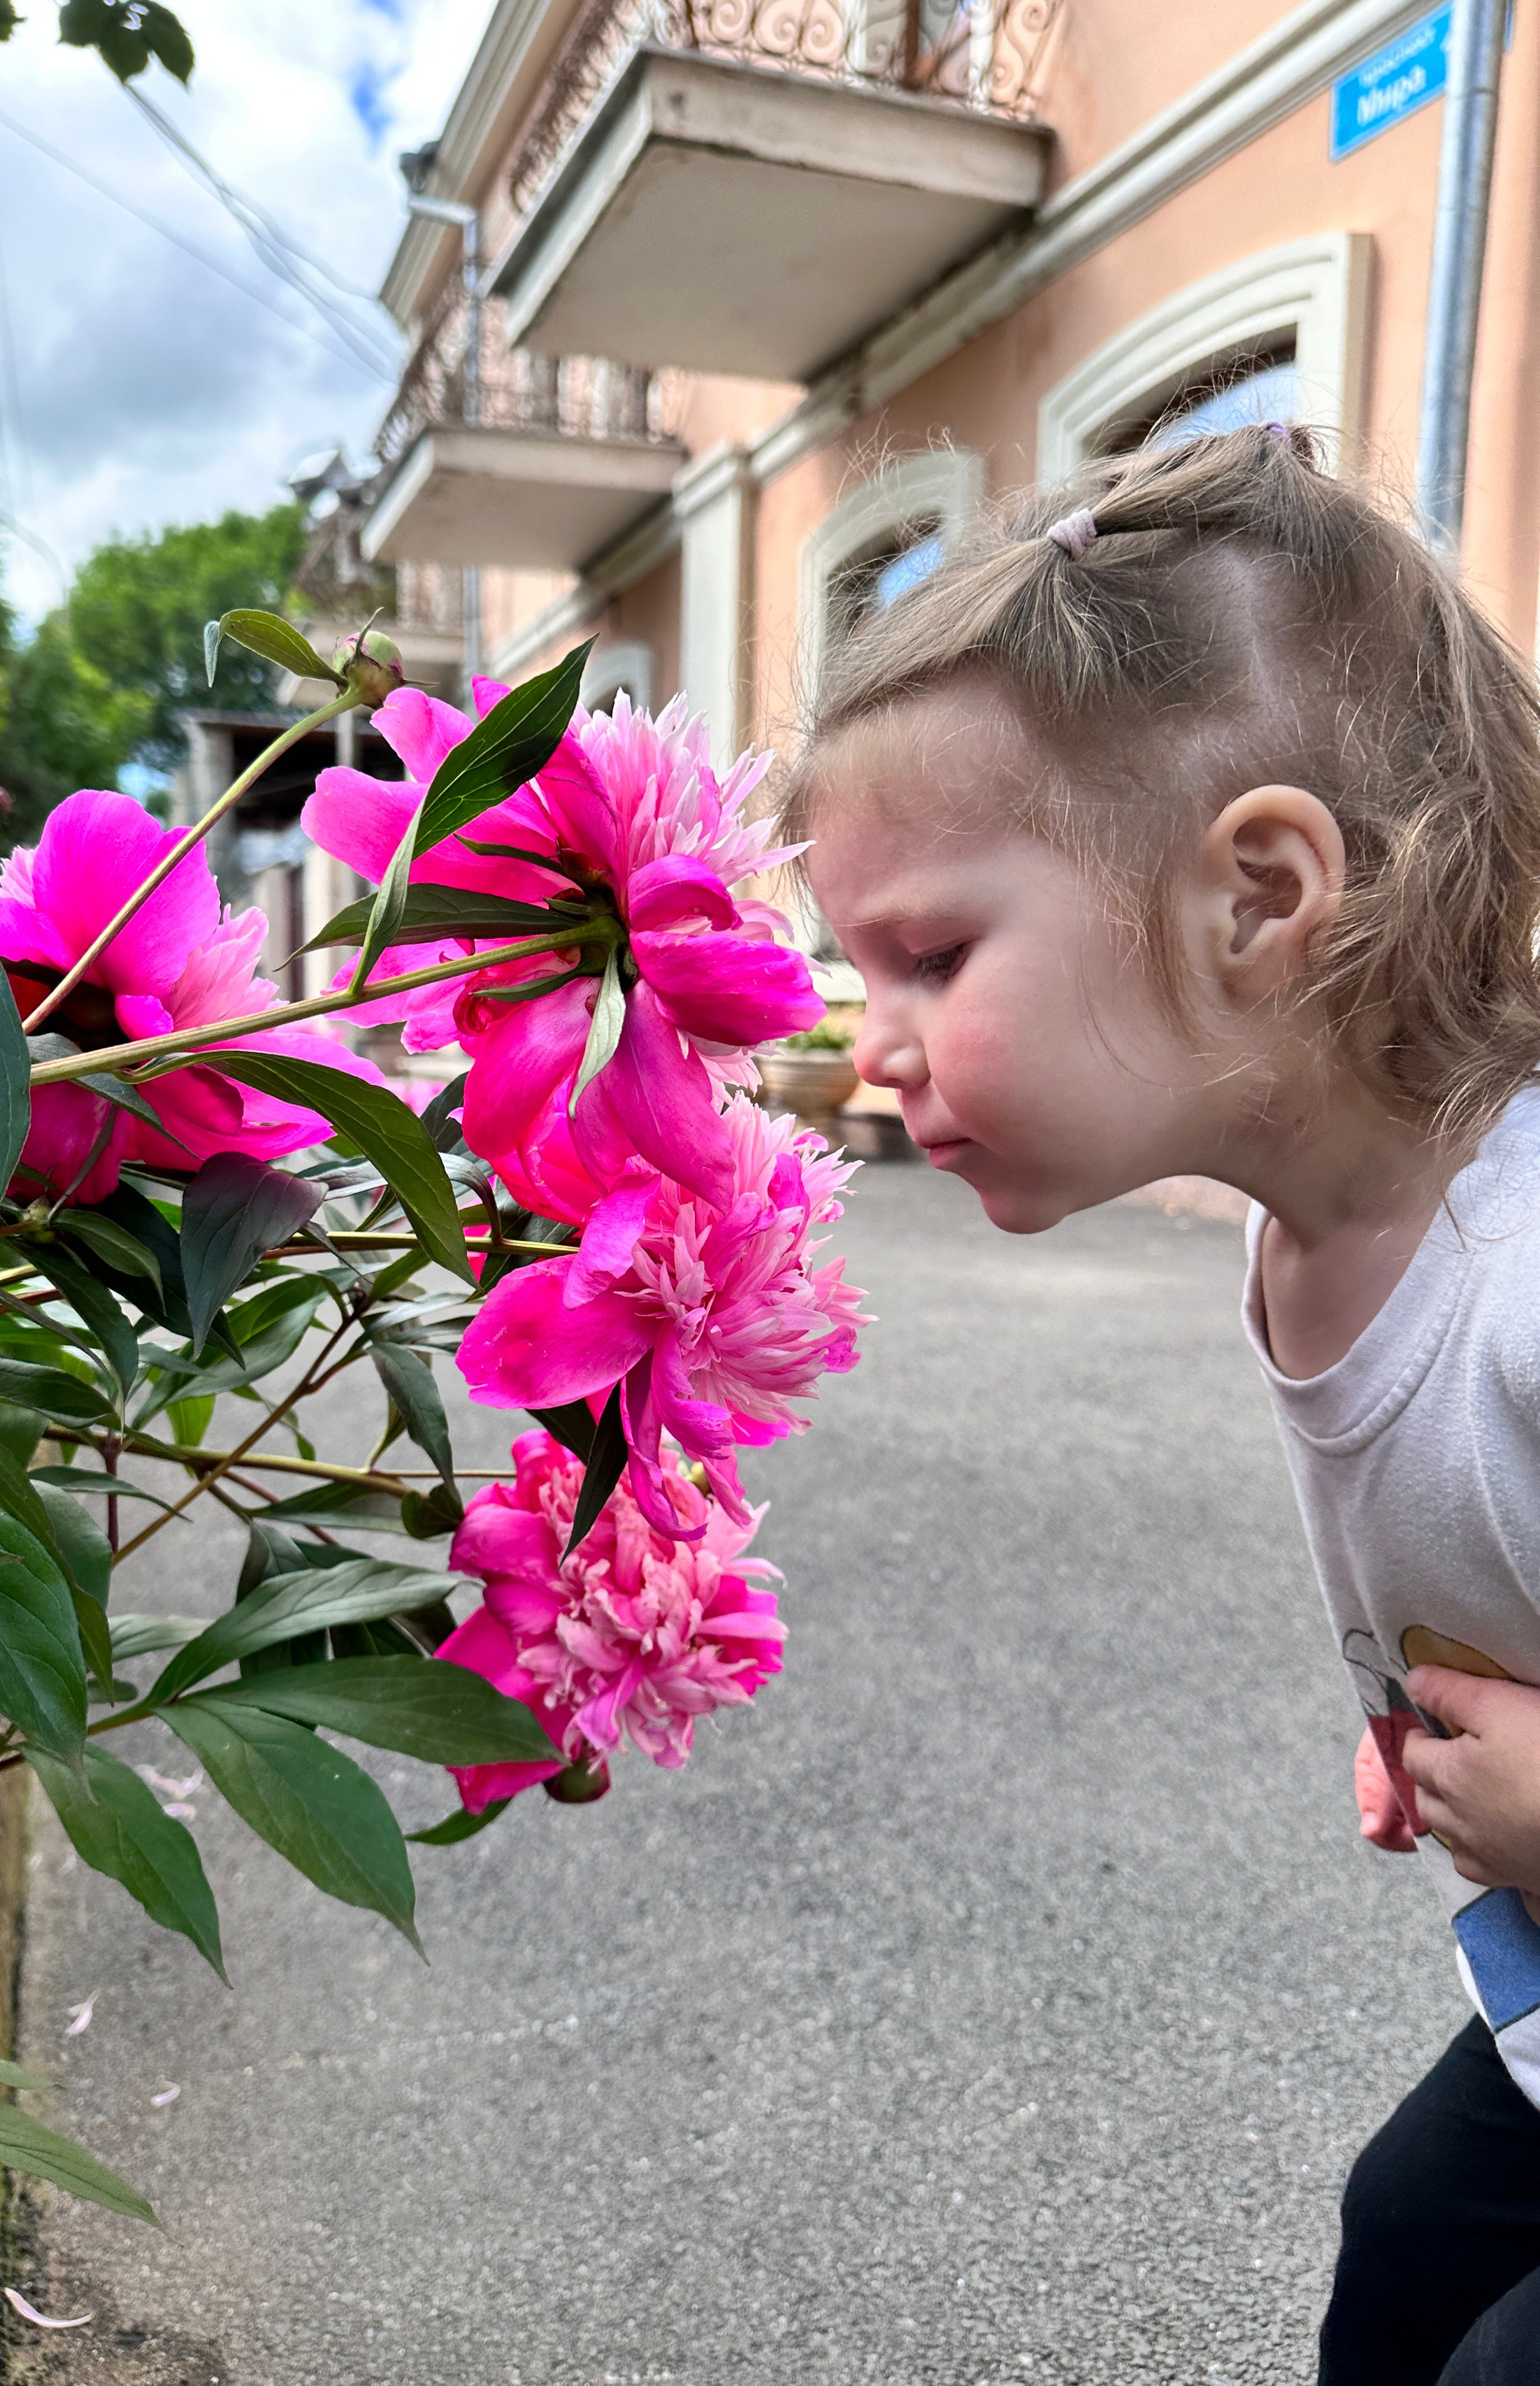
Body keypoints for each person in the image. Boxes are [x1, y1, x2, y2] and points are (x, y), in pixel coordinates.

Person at [789, 422, 1540, 2385]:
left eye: (931, 956)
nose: (870, 1052)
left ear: (1259, 894)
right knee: (1407, 2252)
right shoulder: (1313, 1247)